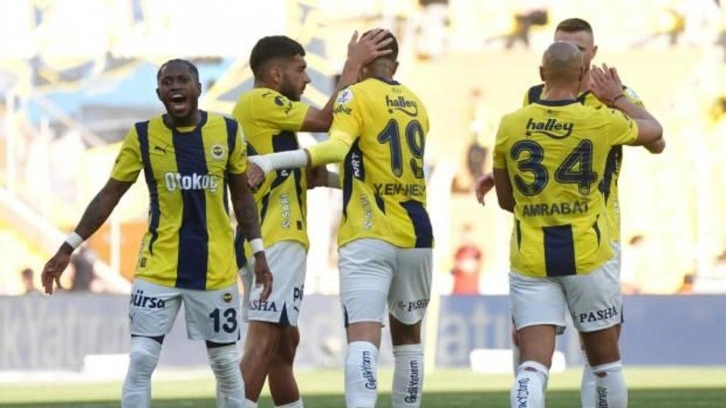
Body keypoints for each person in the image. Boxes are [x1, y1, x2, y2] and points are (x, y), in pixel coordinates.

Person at [40, 59, 272, 408]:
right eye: (167, 82)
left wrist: (259, 253)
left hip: (215, 268)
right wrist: (68, 247)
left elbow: (242, 198)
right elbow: (109, 194)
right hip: (157, 267)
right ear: (159, 92)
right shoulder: (143, 135)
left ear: (198, 88)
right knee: (141, 359)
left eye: (183, 80)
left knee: (225, 364)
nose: (175, 86)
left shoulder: (227, 131)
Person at [476, 17, 665, 407]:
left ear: (592, 54)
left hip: (584, 236)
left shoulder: (610, 96)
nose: (573, 53)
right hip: (586, 242)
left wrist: (617, 97)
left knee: (549, 357)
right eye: (563, 45)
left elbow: (657, 145)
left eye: (579, 48)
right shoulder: (579, 111)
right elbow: (538, 152)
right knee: (603, 358)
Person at [245, 31, 432, 408]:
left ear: (361, 66)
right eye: (301, 70)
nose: (308, 78)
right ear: (395, 66)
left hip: (367, 234)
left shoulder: (354, 96)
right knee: (409, 342)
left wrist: (270, 162)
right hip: (417, 233)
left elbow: (333, 143)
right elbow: (374, 174)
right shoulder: (417, 104)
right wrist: (328, 178)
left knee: (356, 339)